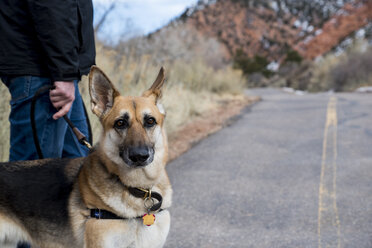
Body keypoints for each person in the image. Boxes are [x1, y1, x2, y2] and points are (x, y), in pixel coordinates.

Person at [0, 1, 95, 246]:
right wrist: (63, 73)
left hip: (54, 72)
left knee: (81, 180)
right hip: (44, 73)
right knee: (30, 195)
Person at [0, 0, 96, 162]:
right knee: (30, 176)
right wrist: (63, 73)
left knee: (77, 169)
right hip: (44, 70)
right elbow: (51, 5)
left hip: (52, 69)